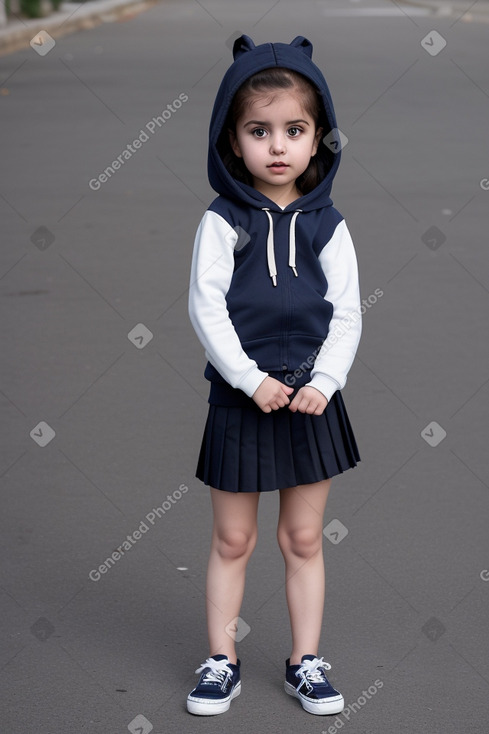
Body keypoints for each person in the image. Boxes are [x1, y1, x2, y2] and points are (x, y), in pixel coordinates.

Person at [186, 34, 362, 717]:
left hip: (312, 401)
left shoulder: (327, 225)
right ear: (231, 141)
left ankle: (304, 661)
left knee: (303, 537)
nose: (278, 146)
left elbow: (345, 312)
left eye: (295, 130)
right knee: (234, 538)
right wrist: (246, 378)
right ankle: (220, 659)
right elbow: (206, 307)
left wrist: (326, 381)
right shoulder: (222, 221)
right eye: (259, 131)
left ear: (318, 139)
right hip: (242, 400)